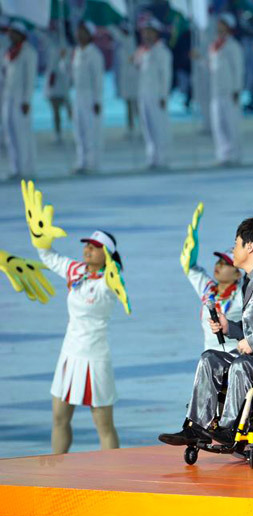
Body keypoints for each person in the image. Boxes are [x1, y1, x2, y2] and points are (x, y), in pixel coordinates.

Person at [159, 215, 253, 447]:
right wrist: (230, 328)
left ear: (250, 246)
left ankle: (229, 427)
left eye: (236, 244)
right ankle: (197, 426)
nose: (233, 249)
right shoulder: (251, 280)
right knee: (210, 358)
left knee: (240, 364)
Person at [22, 180, 130, 455]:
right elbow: (49, 256)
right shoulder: (75, 271)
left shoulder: (110, 281)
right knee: (59, 418)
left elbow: (116, 279)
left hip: (95, 357)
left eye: (94, 247)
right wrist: (39, 237)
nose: (86, 250)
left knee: (103, 425)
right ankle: (57, 470)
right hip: (69, 354)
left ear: (105, 254)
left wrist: (113, 268)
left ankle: (112, 475)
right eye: (86, 245)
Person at [179, 202, 244, 352]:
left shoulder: (243, 293)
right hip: (210, 357)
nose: (219, 265)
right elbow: (190, 267)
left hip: (237, 357)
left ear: (237, 273)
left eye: (226, 264)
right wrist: (193, 241)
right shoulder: (208, 290)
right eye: (219, 261)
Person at [136, 18, 172, 169]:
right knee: (148, 128)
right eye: (145, 32)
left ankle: (162, 157)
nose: (147, 35)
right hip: (144, 94)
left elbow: (166, 75)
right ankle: (152, 157)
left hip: (157, 95)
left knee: (159, 127)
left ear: (156, 33)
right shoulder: (143, 51)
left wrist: (164, 95)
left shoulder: (162, 51)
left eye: (150, 32)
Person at [208, 13, 244, 166]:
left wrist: (237, 89)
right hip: (216, 90)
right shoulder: (214, 46)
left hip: (229, 90)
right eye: (219, 25)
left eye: (223, 25)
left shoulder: (233, 46)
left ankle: (235, 154)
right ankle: (223, 154)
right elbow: (212, 67)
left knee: (231, 124)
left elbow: (238, 69)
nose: (220, 28)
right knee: (219, 124)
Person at [2, 22, 37, 179]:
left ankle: (25, 168)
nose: (10, 35)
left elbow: (30, 79)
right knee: (10, 134)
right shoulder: (8, 53)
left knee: (22, 134)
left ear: (21, 35)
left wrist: (26, 100)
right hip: (8, 98)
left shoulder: (28, 53)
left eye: (14, 32)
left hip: (20, 99)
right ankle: (15, 167)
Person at [71, 21, 105, 174]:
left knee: (91, 131)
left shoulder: (95, 54)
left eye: (83, 32)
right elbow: (69, 74)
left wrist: (97, 100)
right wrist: (64, 60)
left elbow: (98, 79)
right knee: (79, 131)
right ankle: (81, 161)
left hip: (90, 96)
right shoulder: (76, 52)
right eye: (78, 31)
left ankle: (92, 163)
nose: (79, 35)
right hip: (78, 95)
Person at [108, 23, 139, 138]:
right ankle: (130, 128)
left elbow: (115, 33)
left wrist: (110, 26)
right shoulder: (120, 45)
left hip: (134, 80)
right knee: (129, 105)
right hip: (125, 80)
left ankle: (141, 127)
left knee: (136, 105)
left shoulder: (130, 42)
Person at [43, 28, 71, 144]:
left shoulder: (65, 46)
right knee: (55, 111)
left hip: (61, 83)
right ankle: (58, 133)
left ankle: (76, 130)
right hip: (52, 84)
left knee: (69, 109)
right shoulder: (51, 44)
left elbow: (66, 66)